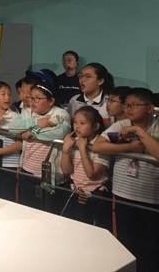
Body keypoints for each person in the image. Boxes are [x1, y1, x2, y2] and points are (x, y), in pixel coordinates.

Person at [92, 88, 159, 272]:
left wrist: (138, 131)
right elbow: (97, 146)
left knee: (151, 247)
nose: (129, 109)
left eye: (134, 105)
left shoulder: (156, 126)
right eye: (127, 105)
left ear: (149, 108)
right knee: (125, 245)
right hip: (123, 193)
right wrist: (130, 147)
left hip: (152, 197)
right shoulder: (121, 125)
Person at [8, 83, 71, 210]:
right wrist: (36, 122)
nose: (32, 102)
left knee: (49, 213)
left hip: (50, 175)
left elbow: (60, 132)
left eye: (37, 98)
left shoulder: (60, 113)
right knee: (27, 210)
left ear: (51, 101)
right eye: (31, 98)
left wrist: (32, 132)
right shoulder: (28, 113)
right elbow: (13, 128)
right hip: (27, 171)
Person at [59, 106, 111, 230]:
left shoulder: (101, 145)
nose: (77, 126)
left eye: (82, 123)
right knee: (70, 228)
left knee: (94, 230)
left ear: (95, 126)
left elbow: (91, 174)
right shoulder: (74, 141)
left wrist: (82, 149)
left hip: (96, 194)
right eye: (75, 122)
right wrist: (65, 149)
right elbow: (66, 170)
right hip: (76, 190)